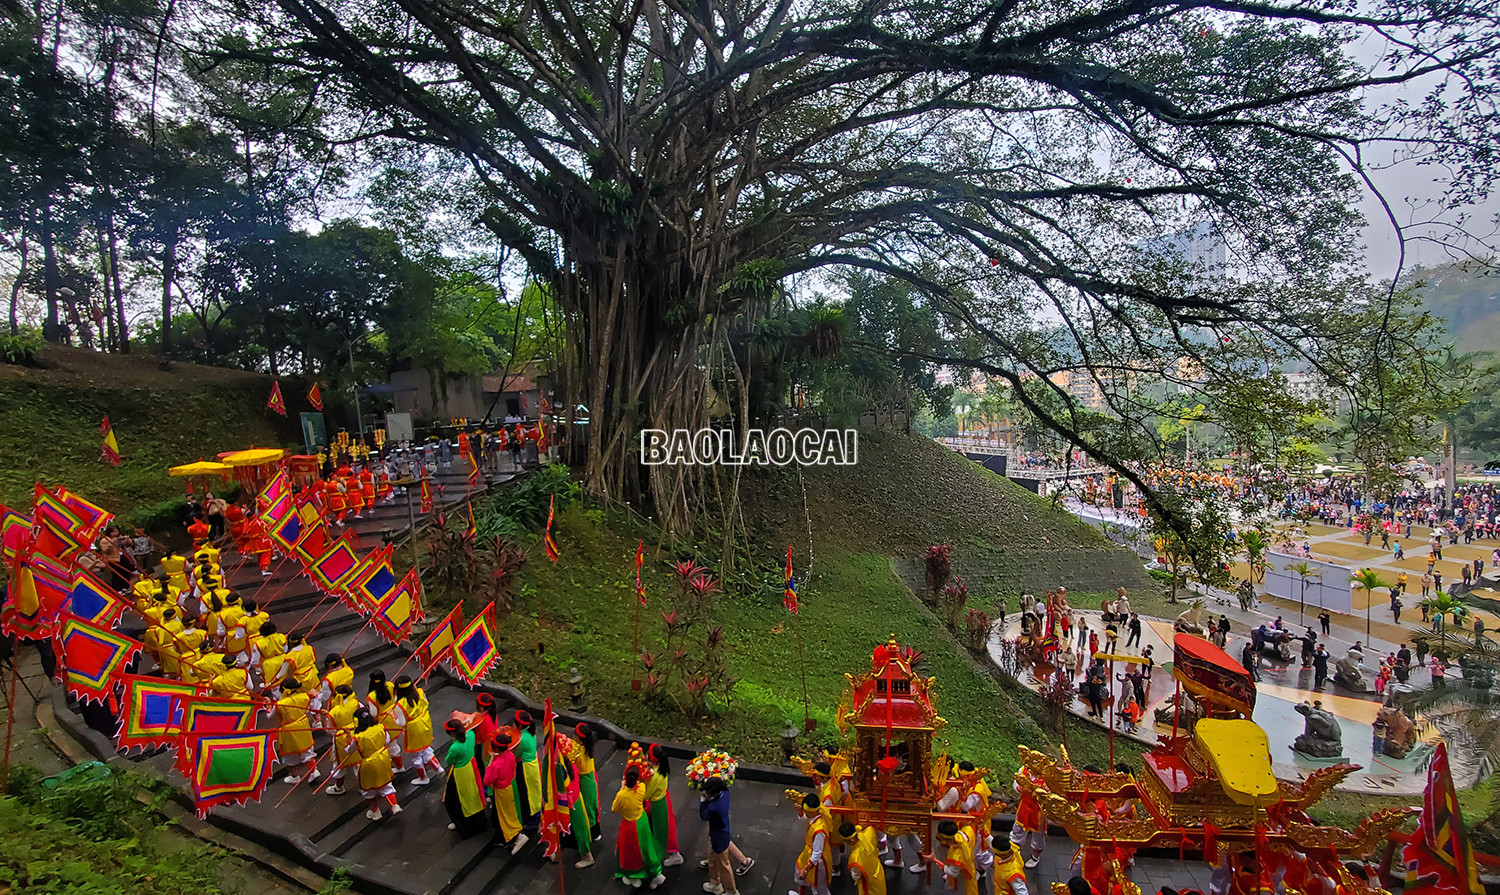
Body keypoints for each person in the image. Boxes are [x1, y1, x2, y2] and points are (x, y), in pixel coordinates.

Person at [613, 766, 667, 889]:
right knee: (646, 848)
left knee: (630, 851)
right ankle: (654, 872)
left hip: (629, 825)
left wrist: (622, 788)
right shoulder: (641, 788)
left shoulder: (622, 795)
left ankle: (634, 875)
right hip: (642, 821)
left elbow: (614, 808)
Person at [440, 718, 489, 837]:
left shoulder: (455, 747)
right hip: (472, 768)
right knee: (474, 795)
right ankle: (480, 823)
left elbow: (449, 760)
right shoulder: (471, 735)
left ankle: (463, 826)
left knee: (457, 799)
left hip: (460, 772)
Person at [352, 711, 403, 821]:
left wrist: (348, 736)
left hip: (369, 763)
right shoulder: (380, 727)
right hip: (383, 757)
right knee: (386, 784)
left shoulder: (358, 737)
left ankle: (375, 811)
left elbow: (348, 750)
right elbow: (387, 740)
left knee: (369, 788)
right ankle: (394, 805)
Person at [394, 676, 444, 785]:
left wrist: (394, 719)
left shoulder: (400, 704)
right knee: (426, 748)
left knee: (415, 755)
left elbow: (401, 723)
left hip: (414, 728)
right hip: (425, 721)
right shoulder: (420, 692)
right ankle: (438, 767)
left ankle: (423, 777)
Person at [483, 731, 527, 853]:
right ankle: (505, 839)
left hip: (501, 791)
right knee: (508, 813)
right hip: (509, 788)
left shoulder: (495, 764)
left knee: (504, 816)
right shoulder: (510, 755)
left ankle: (517, 837)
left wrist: (490, 762)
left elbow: (487, 781)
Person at [644, 744, 684, 867]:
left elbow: (646, 795)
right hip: (663, 799)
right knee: (668, 825)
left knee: (663, 828)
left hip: (657, 804)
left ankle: (671, 854)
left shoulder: (655, 776)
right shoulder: (662, 769)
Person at [275, 678, 320, 785]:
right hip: (303, 725)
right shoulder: (304, 696)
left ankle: (294, 776)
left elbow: (270, 716)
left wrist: (268, 706)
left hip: (288, 730)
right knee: (307, 750)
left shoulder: (280, 704)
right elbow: (309, 710)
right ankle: (314, 770)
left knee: (289, 755)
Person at [322, 683, 362, 796]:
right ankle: (363, 786)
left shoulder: (334, 712)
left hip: (341, 739)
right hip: (358, 734)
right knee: (359, 762)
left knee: (339, 765)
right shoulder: (356, 703)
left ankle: (339, 787)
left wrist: (339, 733)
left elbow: (329, 730)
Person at [791, 792, 832, 895]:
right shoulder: (819, 812)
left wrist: (807, 869)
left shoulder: (819, 831)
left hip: (819, 860)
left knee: (819, 886)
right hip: (809, 851)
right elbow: (807, 818)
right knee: (799, 867)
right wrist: (800, 812)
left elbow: (817, 852)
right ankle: (802, 890)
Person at [569, 723, 603, 842]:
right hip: (591, 777)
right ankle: (595, 830)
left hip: (584, 780)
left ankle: (593, 832)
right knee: (593, 804)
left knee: (588, 806)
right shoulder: (588, 746)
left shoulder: (577, 751)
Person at [367, 671, 406, 773]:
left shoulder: (372, 696)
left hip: (384, 722)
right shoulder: (390, 685)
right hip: (393, 716)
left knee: (391, 745)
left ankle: (399, 767)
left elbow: (374, 713)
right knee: (392, 743)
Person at [513, 710, 544, 833]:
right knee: (534, 793)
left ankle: (531, 822)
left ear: (519, 725)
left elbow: (515, 753)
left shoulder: (522, 739)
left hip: (525, 768)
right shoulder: (530, 733)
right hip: (533, 765)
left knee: (527, 795)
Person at [933, 819, 979, 895]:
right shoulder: (968, 830)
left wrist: (934, 860)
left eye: (945, 840)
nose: (943, 842)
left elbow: (952, 873)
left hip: (961, 874)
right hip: (968, 861)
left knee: (956, 890)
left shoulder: (958, 854)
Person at [839, 821, 883, 895]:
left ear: (850, 840)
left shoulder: (855, 858)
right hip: (878, 871)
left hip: (868, 883)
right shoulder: (868, 832)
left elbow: (855, 876)